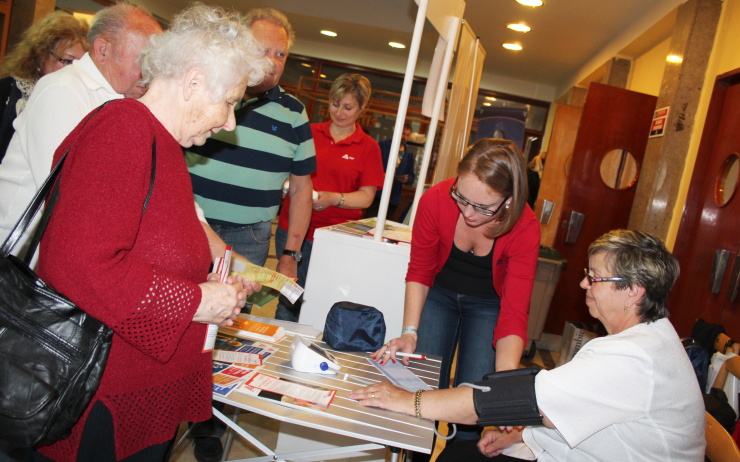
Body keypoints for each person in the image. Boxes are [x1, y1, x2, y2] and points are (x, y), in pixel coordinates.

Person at [33, 4, 267, 461]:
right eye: (230, 102)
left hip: (130, 393)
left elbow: (144, 254)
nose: (230, 122)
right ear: (194, 81)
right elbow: (76, 264)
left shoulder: (160, 141)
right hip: (99, 398)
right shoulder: (125, 130)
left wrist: (208, 289)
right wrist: (195, 302)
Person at [352, 229, 706, 461]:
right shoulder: (653, 338)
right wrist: (525, 436)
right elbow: (557, 410)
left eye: (594, 278)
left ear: (633, 291)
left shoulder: (632, 357)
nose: (584, 284)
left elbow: (506, 403)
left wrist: (407, 400)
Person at [374, 138, 540, 443]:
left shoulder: (525, 225)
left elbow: (515, 310)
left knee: (476, 396)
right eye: (461, 198)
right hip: (439, 292)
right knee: (419, 388)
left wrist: (506, 381)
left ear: (509, 200)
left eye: (483, 207)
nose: (469, 213)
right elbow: (420, 270)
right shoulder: (436, 198)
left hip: (489, 303)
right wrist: (410, 331)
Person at [0, 2, 162, 253]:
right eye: (145, 61)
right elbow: (69, 197)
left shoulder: (123, 101)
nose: (153, 73)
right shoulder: (62, 90)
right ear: (103, 50)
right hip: (16, 263)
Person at [187, 7, 315, 296]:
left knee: (231, 316)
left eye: (280, 54)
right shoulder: (207, 90)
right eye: (262, 50)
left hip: (248, 238)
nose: (272, 61)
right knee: (179, 307)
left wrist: (291, 254)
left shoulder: (294, 113)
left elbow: (301, 190)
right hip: (188, 225)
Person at [275, 73, 385, 321]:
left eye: (348, 107)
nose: (340, 112)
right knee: (287, 301)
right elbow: (286, 174)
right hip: (293, 230)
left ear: (362, 108)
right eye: (335, 104)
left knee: (323, 302)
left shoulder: (368, 147)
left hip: (337, 239)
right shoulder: (309, 133)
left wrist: (335, 198)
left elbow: (366, 198)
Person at [0, 10, 88, 160]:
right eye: (67, 61)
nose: (73, 69)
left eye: (79, 64)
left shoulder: (74, 98)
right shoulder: (7, 90)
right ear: (41, 55)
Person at [366, 122, 415, 220]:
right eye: (403, 133)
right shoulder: (382, 146)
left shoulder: (409, 154)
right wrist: (380, 174)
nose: (404, 137)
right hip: (378, 193)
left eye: (407, 135)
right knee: (369, 220)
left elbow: (411, 177)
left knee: (386, 225)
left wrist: (406, 179)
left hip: (394, 196)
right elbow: (370, 167)